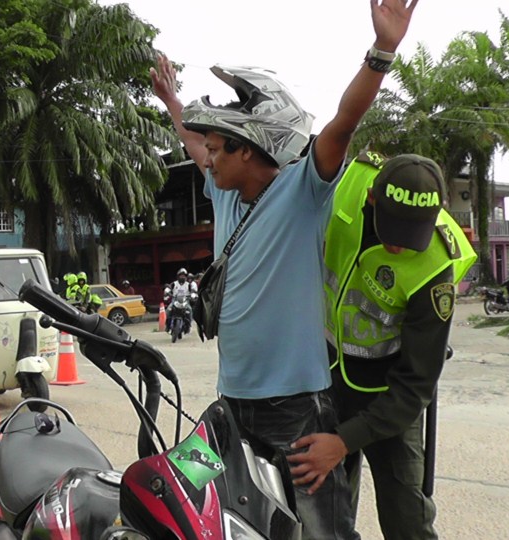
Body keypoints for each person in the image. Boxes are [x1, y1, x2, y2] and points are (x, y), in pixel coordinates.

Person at [150, 2, 417, 536]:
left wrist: (382, 50)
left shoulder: (303, 192)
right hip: (231, 404)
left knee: (323, 531)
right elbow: (194, 141)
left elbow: (343, 123)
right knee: (203, 511)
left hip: (297, 411)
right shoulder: (225, 196)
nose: (208, 158)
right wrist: (173, 101)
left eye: (219, 149)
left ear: (249, 151)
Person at [287, 153, 476, 539]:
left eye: (412, 235)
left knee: (407, 517)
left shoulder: (436, 266)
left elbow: (416, 384)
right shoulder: (341, 190)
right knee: (321, 515)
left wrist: (344, 441)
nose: (400, 248)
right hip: (322, 378)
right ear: (372, 198)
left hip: (388, 395)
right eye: (393, 231)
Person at [164, 268, 197, 333]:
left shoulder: (188, 285)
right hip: (175, 300)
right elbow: (169, 288)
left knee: (190, 310)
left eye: (184, 276)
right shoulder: (174, 283)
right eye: (181, 275)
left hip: (185, 301)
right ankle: (167, 325)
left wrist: (193, 295)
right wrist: (167, 292)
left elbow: (193, 291)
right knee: (168, 310)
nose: (182, 277)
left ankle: (189, 325)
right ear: (178, 276)